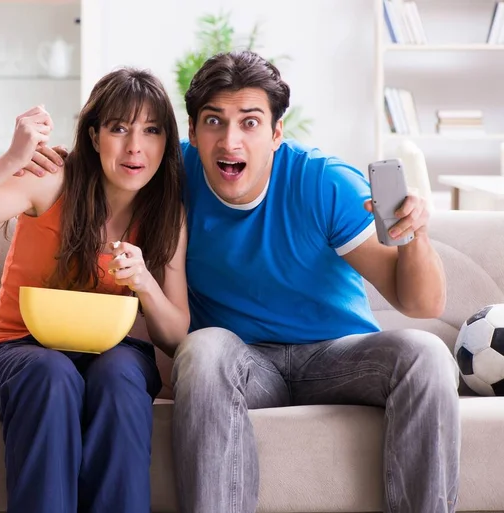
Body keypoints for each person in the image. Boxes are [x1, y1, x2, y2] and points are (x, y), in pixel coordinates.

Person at [25, 51, 460, 513]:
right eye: (214, 121)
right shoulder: (171, 176)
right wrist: (54, 165)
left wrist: (415, 235)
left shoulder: (321, 182)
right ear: (193, 131)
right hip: (241, 362)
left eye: (250, 123)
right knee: (203, 347)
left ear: (276, 134)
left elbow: (422, 302)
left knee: (427, 354)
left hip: (337, 358)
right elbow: (111, 163)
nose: (230, 141)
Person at [0, 68, 189, 513]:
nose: (135, 146)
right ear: (95, 136)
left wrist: (145, 284)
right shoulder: (52, 179)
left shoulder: (166, 214)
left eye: (152, 130)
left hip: (107, 355)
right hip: (15, 353)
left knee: (120, 374)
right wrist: (9, 159)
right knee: (51, 372)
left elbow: (176, 336)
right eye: (119, 128)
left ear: (166, 141)